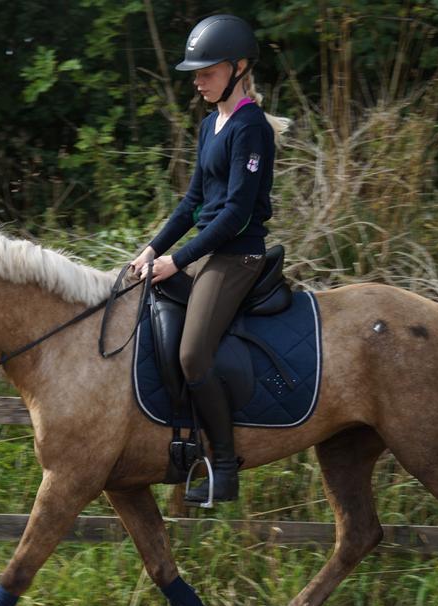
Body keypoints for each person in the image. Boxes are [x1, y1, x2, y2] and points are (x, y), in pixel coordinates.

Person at [129, 14, 288, 505]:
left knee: (193, 353)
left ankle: (224, 466)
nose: (198, 82)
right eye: (195, 74)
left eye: (207, 72)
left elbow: (236, 214)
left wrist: (177, 261)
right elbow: (193, 202)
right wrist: (152, 248)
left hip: (237, 255)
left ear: (238, 68)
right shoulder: (208, 126)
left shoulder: (250, 128)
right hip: (208, 252)